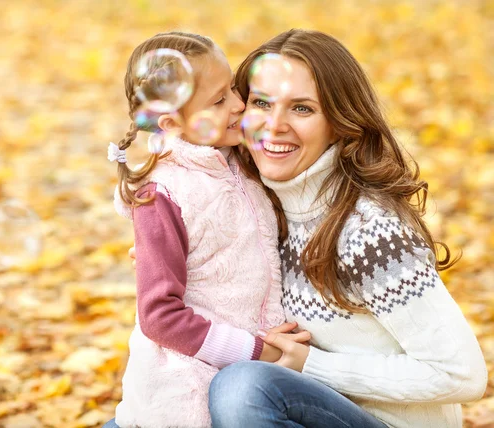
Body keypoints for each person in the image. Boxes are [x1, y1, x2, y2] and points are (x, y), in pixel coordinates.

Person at [205, 29, 488, 428]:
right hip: (302, 412)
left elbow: (461, 374)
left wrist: (313, 366)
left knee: (242, 388)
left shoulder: (370, 230)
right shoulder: (258, 207)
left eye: (301, 109)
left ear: (338, 122)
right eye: (261, 103)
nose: (274, 125)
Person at [103, 31, 311, 428]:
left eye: (233, 87)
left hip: (249, 381)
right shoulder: (162, 194)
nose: (237, 104)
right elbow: (159, 315)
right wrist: (258, 351)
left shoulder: (239, 160)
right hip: (185, 387)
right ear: (172, 124)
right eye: (218, 101)